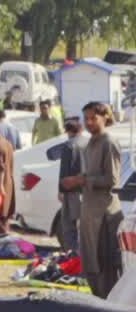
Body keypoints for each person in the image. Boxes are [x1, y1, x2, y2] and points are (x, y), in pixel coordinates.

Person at [62, 101, 123, 298]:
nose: (89, 123)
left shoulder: (108, 142)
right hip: (89, 212)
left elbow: (112, 180)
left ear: (105, 116)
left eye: (93, 118)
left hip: (104, 214)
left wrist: (82, 179)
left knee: (104, 266)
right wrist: (79, 182)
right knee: (90, 264)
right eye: (86, 119)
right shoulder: (91, 142)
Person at [57, 118, 86, 252]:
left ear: (68, 131)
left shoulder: (69, 145)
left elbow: (64, 170)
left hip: (71, 190)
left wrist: (61, 191)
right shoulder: (89, 143)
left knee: (69, 225)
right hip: (87, 190)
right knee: (83, 226)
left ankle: (72, 254)